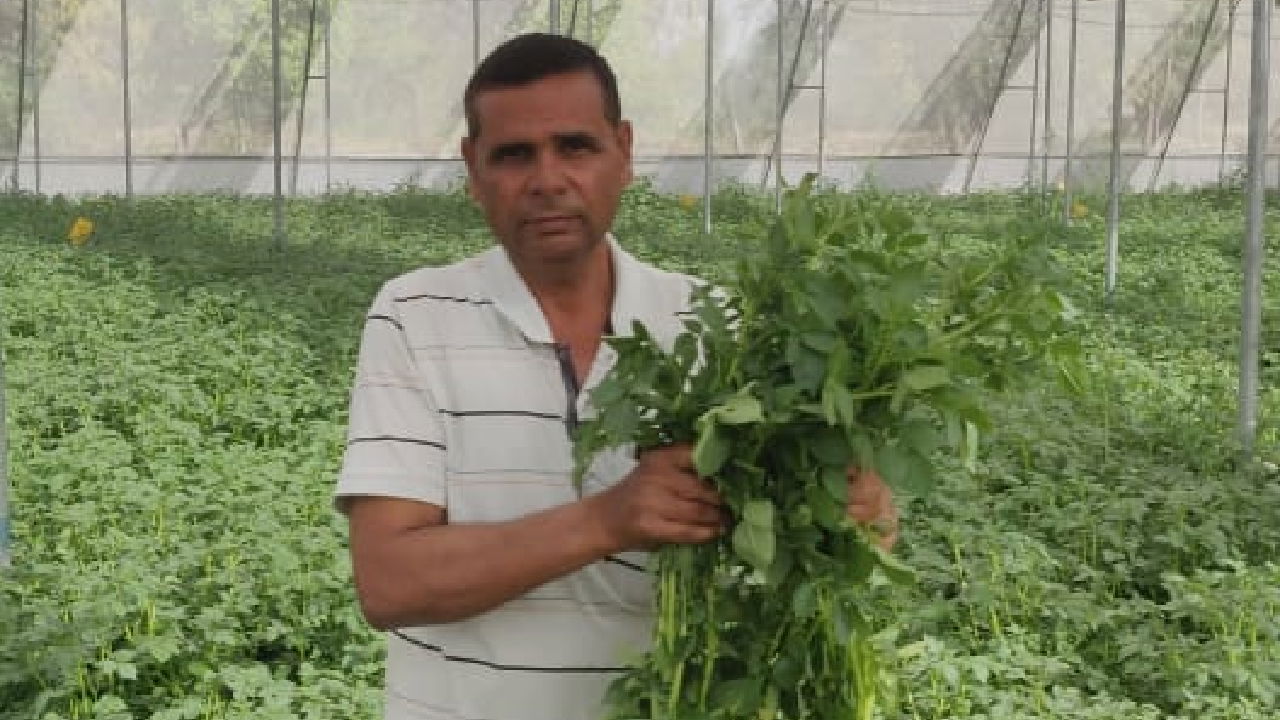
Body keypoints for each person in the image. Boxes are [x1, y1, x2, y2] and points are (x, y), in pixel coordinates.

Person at [335, 33, 898, 720]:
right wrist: (608, 520)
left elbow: (805, 555)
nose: (547, 180)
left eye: (575, 146)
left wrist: (862, 517)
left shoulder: (710, 324)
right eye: (514, 155)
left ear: (623, 152)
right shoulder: (415, 316)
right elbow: (390, 583)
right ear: (473, 171)